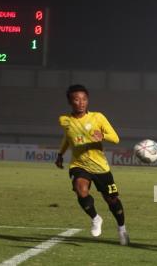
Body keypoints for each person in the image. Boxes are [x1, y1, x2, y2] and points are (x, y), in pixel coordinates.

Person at [55, 84, 129, 245]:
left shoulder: (98, 117)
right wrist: (60, 154)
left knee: (112, 200)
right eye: (76, 99)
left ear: (88, 101)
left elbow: (115, 138)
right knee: (81, 190)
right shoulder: (65, 120)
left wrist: (101, 135)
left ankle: (122, 228)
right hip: (79, 164)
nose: (81, 102)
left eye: (84, 99)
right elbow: (68, 138)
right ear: (70, 102)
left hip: (100, 167)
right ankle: (96, 218)